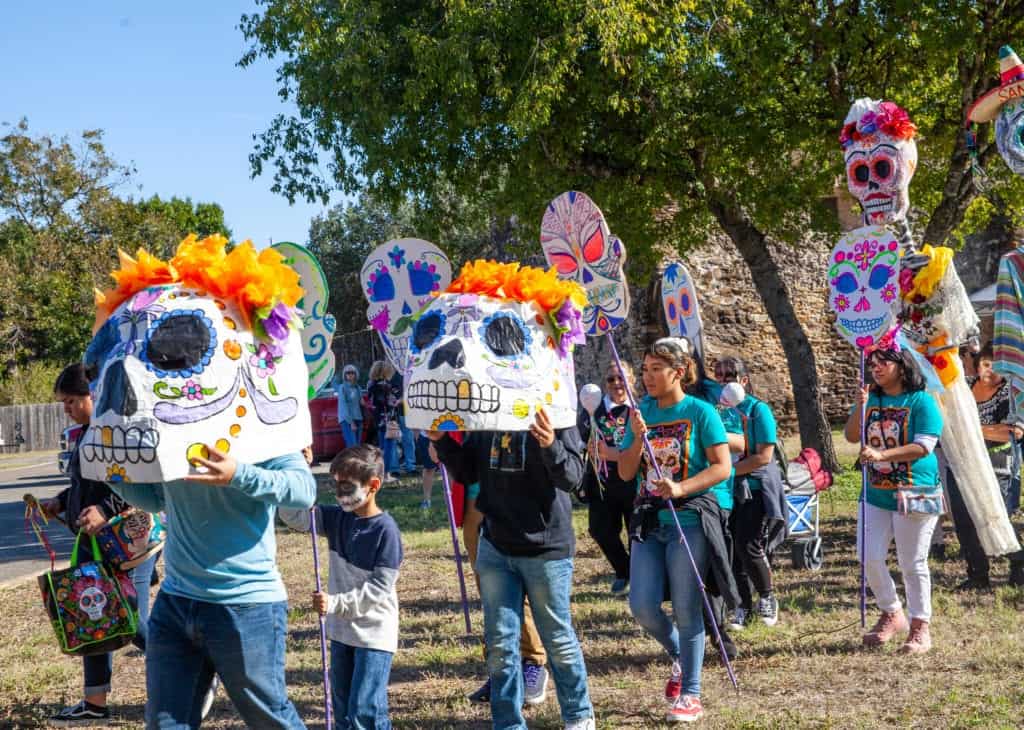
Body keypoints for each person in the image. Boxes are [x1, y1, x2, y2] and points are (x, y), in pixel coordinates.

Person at [109, 441, 315, 726]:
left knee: (269, 718)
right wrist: (111, 472)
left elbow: (303, 490)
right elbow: (157, 498)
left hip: (246, 604)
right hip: (176, 602)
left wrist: (237, 473)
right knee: (165, 723)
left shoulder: (263, 427)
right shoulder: (173, 430)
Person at [428, 409, 595, 730]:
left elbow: (573, 477)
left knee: (557, 637)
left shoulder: (557, 408)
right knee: (501, 642)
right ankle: (507, 723)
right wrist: (443, 442)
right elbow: (468, 472)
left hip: (545, 548)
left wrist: (550, 444)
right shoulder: (489, 410)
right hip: (495, 543)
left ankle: (578, 715)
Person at [617, 338, 735, 723]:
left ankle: (691, 694)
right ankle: (680, 657)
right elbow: (625, 472)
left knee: (687, 608)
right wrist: (636, 436)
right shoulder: (641, 412)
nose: (647, 377)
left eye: (656, 369)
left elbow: (722, 467)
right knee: (643, 606)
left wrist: (681, 488)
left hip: (689, 521)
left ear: (678, 372)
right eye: (645, 369)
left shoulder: (700, 412)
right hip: (650, 522)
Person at [40, 364, 161, 724]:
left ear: (94, 395)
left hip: (128, 545)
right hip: (96, 544)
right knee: (94, 614)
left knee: (127, 617)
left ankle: (193, 670)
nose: (66, 408)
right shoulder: (86, 432)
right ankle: (95, 705)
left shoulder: (121, 431)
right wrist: (61, 501)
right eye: (63, 402)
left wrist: (106, 511)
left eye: (72, 401)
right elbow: (87, 485)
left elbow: (142, 484)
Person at [279, 444, 403, 730]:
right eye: (336, 487)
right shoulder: (337, 518)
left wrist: (336, 604)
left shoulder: (386, 531)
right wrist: (298, 469)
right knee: (344, 710)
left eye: (347, 487)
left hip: (374, 635)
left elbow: (379, 589)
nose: (339, 495)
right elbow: (294, 516)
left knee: (365, 712)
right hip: (341, 632)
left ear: (373, 486)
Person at [844, 347, 943, 654]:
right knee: (868, 556)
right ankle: (891, 611)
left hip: (915, 491)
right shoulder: (871, 398)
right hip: (875, 492)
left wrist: (882, 455)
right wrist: (859, 407)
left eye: (883, 361)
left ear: (902, 366)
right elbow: (850, 436)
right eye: (872, 363)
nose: (876, 367)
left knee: (912, 562)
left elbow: (924, 445)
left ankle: (919, 626)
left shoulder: (922, 401)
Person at [945, 344, 1024, 589]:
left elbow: (1012, 433)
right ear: (977, 364)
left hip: (997, 465)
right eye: (986, 364)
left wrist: (968, 429)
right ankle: (977, 575)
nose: (991, 371)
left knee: (995, 517)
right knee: (963, 519)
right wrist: (987, 431)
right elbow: (948, 422)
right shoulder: (963, 389)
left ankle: (1019, 564)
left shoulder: (1009, 393)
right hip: (960, 464)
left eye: (997, 366)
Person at [714, 356, 785, 630]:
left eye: (729, 375)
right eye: (719, 375)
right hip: (725, 490)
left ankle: (766, 597)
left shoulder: (758, 410)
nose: (723, 380)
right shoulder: (716, 411)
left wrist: (728, 472)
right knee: (730, 549)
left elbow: (763, 457)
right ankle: (741, 605)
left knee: (748, 545)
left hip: (754, 488)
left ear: (744, 380)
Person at [577, 361, 638, 596]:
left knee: (635, 532)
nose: (616, 384)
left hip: (632, 482)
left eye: (621, 378)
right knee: (600, 529)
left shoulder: (637, 410)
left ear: (630, 380)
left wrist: (610, 453)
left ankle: (638, 576)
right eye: (611, 379)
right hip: (601, 483)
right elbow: (582, 438)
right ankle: (624, 571)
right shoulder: (594, 409)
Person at [368, 360, 400, 482]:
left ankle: (379, 473)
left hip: (378, 419)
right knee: (389, 447)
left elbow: (373, 403)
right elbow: (392, 400)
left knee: (382, 447)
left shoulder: (371, 385)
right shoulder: (386, 385)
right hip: (388, 420)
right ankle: (385, 474)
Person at [335, 364, 365, 448]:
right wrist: (351, 422)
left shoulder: (358, 388)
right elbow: (343, 406)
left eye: (352, 372)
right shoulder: (342, 388)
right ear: (344, 375)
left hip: (358, 418)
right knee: (352, 446)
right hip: (347, 420)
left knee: (357, 446)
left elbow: (361, 403)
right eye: (348, 373)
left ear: (356, 374)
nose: (350, 375)